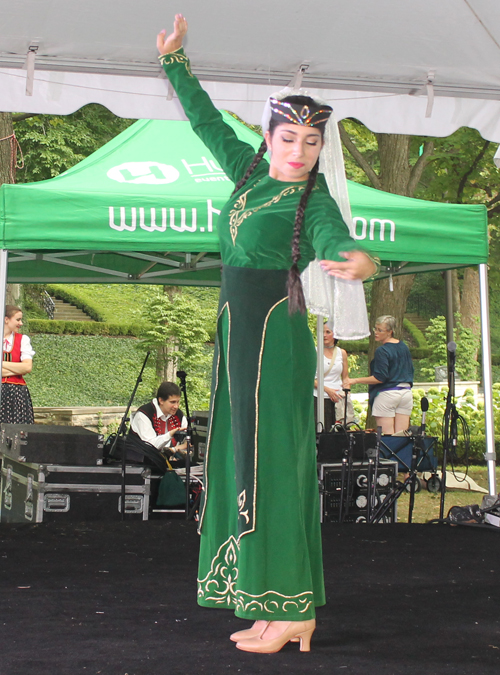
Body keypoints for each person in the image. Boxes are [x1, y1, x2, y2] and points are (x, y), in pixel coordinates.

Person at [157, 15, 375, 654]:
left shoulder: (318, 203)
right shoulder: (248, 176)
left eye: (312, 142)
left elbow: (338, 240)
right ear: (271, 136)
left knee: (275, 464)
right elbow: (207, 123)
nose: (300, 151)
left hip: (274, 342)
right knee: (241, 459)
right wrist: (175, 63)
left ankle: (294, 609)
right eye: (290, 137)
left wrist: (358, 260)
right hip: (237, 335)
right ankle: (265, 598)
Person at [346, 315, 414, 434]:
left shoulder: (382, 351)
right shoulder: (403, 347)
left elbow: (380, 377)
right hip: (406, 393)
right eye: (375, 329)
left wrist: (355, 380)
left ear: (390, 332)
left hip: (388, 394)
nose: (376, 333)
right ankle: (402, 453)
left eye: (380, 330)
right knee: (402, 436)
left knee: (387, 437)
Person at [130, 381, 188, 457]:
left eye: (178, 402)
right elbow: (151, 446)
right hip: (141, 462)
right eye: (172, 402)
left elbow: (188, 441)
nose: (176, 406)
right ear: (161, 401)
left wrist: (174, 449)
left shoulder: (178, 415)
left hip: (167, 462)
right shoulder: (144, 414)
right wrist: (170, 434)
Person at [1, 305, 35, 424]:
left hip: (16, 394)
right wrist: (17, 368)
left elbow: (27, 367)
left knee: (17, 430)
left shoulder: (23, 340)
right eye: (18, 319)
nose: (21, 323)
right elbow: (22, 368)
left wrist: (2, 364)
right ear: (6, 319)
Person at [314, 321, 349, 431]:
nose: (324, 335)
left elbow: (345, 377)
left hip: (337, 399)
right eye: (322, 332)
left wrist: (346, 394)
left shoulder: (341, 353)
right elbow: (308, 377)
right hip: (318, 396)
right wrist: (327, 390)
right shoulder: (314, 351)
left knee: (337, 432)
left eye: (328, 332)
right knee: (320, 431)